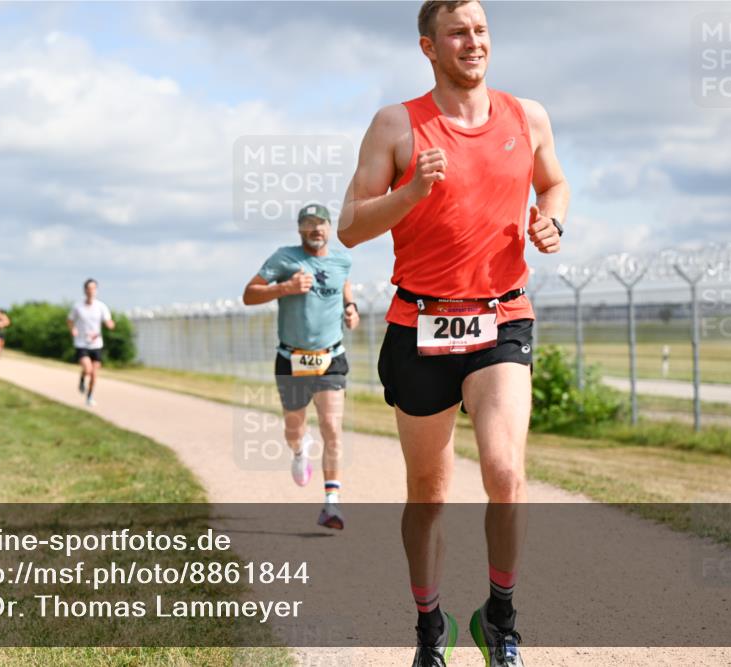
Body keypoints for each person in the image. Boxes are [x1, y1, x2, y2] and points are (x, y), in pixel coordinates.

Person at [337, 2, 569, 665]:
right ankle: (429, 628)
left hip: (501, 317)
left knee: (506, 472)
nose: (473, 42)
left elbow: (554, 183)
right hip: (419, 325)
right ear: (428, 47)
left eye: (481, 30)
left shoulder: (528, 116)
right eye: (458, 33)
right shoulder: (396, 124)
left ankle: (501, 618)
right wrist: (409, 194)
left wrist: (552, 220)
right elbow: (349, 226)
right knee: (429, 495)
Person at [243, 203, 360, 530]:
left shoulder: (342, 260)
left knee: (331, 426)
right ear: (300, 229)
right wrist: (285, 288)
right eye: (309, 223)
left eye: (321, 223)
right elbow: (249, 295)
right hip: (291, 358)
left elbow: (344, 284)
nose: (316, 229)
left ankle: (332, 503)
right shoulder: (284, 258)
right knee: (294, 430)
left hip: (331, 357)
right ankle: (299, 451)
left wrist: (351, 307)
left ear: (329, 227)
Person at [68, 279, 115, 407]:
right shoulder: (78, 307)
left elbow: (108, 321)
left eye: (93, 288)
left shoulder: (101, 306)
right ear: (85, 290)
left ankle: (89, 396)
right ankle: (82, 378)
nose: (91, 291)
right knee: (88, 370)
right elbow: (70, 320)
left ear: (96, 290)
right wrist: (73, 329)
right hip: (82, 343)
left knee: (94, 374)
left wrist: (110, 324)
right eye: (89, 288)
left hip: (96, 344)